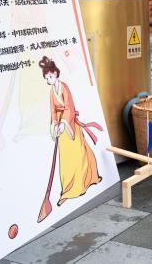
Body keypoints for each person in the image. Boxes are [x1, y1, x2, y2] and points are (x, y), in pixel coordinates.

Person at [39, 56, 102, 205]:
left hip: (70, 125)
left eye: (50, 76)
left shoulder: (64, 87)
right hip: (61, 128)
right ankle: (67, 190)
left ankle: (82, 184)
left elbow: (69, 107)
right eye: (47, 78)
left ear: (56, 73)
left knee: (79, 155)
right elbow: (53, 110)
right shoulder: (52, 91)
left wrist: (63, 123)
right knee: (66, 160)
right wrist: (55, 124)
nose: (49, 80)